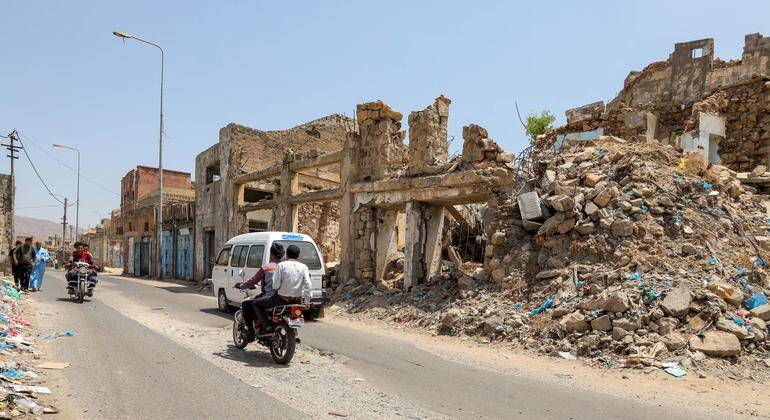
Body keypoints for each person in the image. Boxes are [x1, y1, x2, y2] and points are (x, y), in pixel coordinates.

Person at [253, 244, 312, 335]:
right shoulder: (304, 267)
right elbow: (308, 284)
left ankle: (266, 326)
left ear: (286, 255)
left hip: (281, 300)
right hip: (297, 301)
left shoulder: (281, 265)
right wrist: (307, 302)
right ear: (298, 255)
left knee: (256, 303)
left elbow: (275, 285)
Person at [237, 243, 284, 340]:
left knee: (246, 304)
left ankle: (251, 331)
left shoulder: (266, 267)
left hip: (269, 296)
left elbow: (253, 280)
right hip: (283, 297)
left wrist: (241, 286)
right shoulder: (285, 266)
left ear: (271, 253)